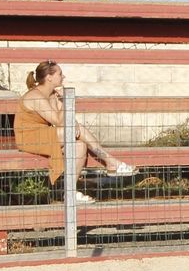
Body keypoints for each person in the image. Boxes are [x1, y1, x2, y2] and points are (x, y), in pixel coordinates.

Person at [13, 60, 135, 204]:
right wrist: (66, 101)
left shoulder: (52, 95)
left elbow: (63, 119)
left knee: (80, 146)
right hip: (29, 137)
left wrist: (69, 116)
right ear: (49, 77)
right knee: (78, 130)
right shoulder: (36, 96)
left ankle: (70, 192)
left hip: (46, 133)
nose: (63, 77)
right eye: (60, 74)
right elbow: (58, 121)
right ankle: (110, 162)